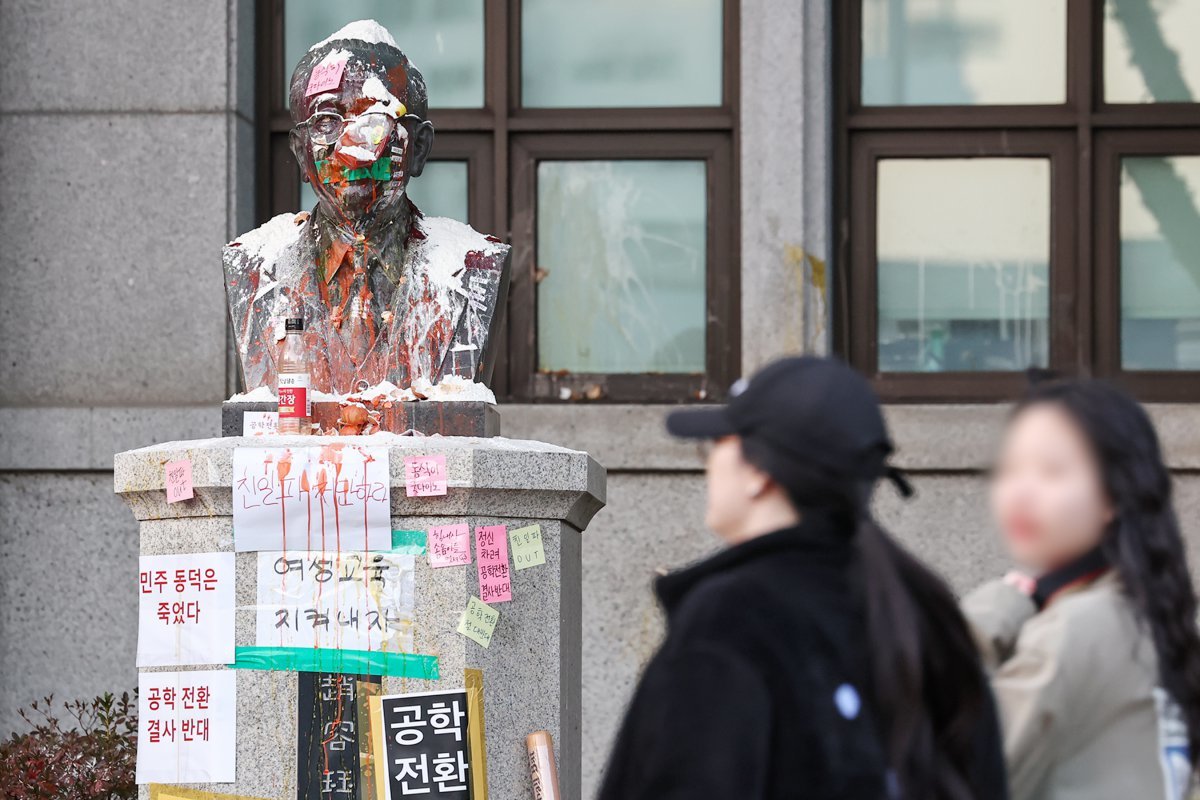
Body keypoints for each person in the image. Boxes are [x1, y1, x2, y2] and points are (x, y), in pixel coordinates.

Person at [598, 357, 1007, 800]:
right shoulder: (920, 615)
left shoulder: (732, 618)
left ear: (757, 472)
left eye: (716, 444)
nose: (709, 463)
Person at [963, 377, 1200, 799]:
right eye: (1009, 469)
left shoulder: (1075, 628)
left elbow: (949, 767)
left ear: (1112, 495)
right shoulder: (1150, 613)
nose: (1020, 491)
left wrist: (993, 612)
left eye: (1052, 470)